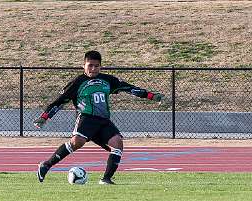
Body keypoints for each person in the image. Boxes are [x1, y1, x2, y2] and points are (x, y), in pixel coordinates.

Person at [33, 50, 164, 184]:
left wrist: (151, 96)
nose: (93, 68)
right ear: (83, 66)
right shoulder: (77, 83)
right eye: (90, 65)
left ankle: (106, 179)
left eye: (96, 66)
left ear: (100, 66)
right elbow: (59, 102)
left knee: (117, 143)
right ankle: (46, 165)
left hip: (103, 121)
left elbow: (129, 88)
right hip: (86, 119)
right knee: (77, 142)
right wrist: (44, 117)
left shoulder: (107, 80)